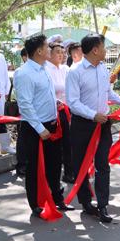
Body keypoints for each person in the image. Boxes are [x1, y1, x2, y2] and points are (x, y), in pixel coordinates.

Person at [66, 34, 120, 223]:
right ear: (95, 49)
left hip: (103, 125)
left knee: (103, 164)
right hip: (83, 125)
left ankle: (102, 205)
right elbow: (72, 102)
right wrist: (92, 115)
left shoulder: (102, 68)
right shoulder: (75, 71)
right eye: (103, 47)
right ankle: (86, 202)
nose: (105, 51)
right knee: (81, 166)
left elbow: (107, 91)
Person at [14, 34, 73, 217]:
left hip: (51, 125)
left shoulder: (43, 69)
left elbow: (43, 95)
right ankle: (37, 205)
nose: (50, 49)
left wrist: (55, 103)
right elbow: (25, 104)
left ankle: (57, 198)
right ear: (39, 51)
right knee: (34, 169)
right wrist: (40, 128)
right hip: (35, 128)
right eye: (47, 47)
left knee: (54, 165)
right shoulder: (24, 73)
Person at [44, 42, 74, 183]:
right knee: (56, 146)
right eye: (57, 52)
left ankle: (69, 172)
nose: (61, 55)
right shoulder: (45, 69)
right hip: (53, 111)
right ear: (49, 54)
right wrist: (57, 103)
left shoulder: (66, 69)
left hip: (69, 110)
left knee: (69, 143)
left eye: (62, 52)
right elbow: (46, 92)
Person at [15, 47, 29, 177]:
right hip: (25, 113)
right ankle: (21, 165)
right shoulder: (20, 72)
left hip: (39, 114)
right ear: (25, 57)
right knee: (23, 141)